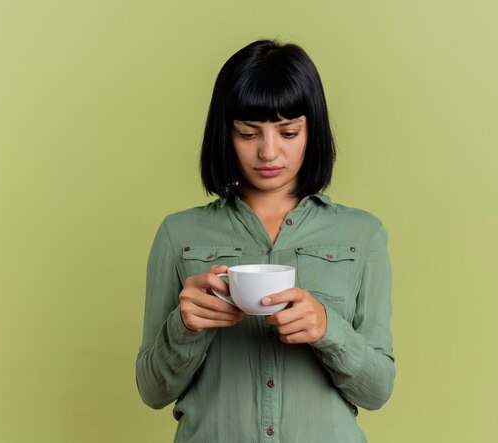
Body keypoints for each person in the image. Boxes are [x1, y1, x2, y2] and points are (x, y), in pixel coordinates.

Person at [135, 39, 395, 443]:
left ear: (313, 131)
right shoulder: (178, 235)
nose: (268, 152)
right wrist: (184, 326)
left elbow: (378, 391)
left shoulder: (363, 235)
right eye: (247, 132)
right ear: (226, 133)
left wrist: (329, 329)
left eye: (289, 132)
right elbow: (152, 392)